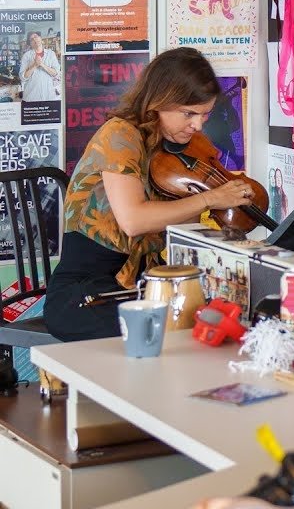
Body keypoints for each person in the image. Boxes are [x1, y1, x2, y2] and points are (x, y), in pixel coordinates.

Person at [44, 48, 254, 341]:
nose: (198, 125)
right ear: (159, 101)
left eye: (205, 114)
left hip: (144, 285)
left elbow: (179, 229)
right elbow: (134, 221)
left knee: (220, 316)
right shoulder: (120, 135)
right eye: (188, 113)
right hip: (86, 291)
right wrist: (210, 198)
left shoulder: (173, 146)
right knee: (174, 330)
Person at [19, 32, 60, 102]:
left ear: (41, 38)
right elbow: (23, 77)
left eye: (36, 36)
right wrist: (35, 65)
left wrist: (41, 64)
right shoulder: (26, 56)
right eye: (31, 39)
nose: (34, 39)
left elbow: (55, 73)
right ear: (30, 44)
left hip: (48, 96)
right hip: (31, 97)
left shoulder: (51, 54)